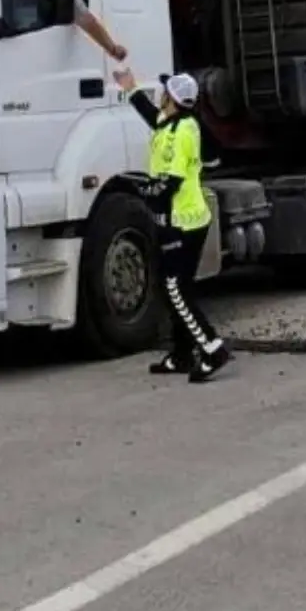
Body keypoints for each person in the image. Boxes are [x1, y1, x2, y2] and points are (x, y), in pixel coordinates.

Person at [112, 65, 232, 383]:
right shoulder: (172, 122)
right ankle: (181, 354)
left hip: (184, 221)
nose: (161, 95)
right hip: (181, 219)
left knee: (174, 289)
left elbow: (170, 185)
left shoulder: (183, 134)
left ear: (173, 99)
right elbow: (153, 117)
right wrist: (130, 87)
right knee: (179, 288)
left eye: (165, 92)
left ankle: (212, 348)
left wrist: (136, 188)